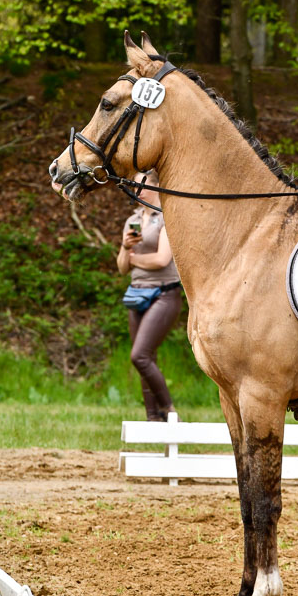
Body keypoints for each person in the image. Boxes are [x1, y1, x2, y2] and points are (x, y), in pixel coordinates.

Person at [117, 170, 182, 421]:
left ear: (157, 187)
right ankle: (153, 419)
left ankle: (169, 410)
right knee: (146, 358)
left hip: (164, 294)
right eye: (135, 185)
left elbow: (161, 259)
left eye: (144, 184)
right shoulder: (132, 220)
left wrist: (135, 259)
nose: (139, 189)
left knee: (139, 355)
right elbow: (122, 267)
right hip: (137, 295)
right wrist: (125, 249)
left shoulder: (166, 218)